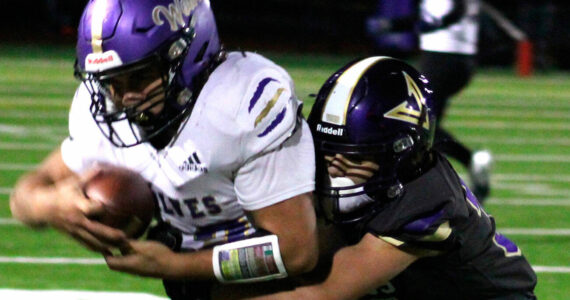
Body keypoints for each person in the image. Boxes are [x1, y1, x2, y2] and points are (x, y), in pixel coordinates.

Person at [9, 0, 318, 299]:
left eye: (140, 75)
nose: (124, 96)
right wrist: (49, 204)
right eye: (110, 80)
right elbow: (23, 198)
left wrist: (175, 266)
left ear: (187, 54)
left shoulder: (240, 103)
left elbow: (296, 252)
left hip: (290, 287)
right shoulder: (103, 111)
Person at [243, 57, 537, 300]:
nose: (333, 169)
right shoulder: (333, 172)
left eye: (356, 158)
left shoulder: (424, 201)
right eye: (326, 153)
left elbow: (323, 293)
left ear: (402, 154)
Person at [366, 0, 493, 202]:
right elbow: (424, 19)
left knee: (412, 121)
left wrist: (440, 23)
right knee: (425, 130)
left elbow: (455, 11)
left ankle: (467, 161)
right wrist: (393, 25)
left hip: (444, 59)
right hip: (450, 59)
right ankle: (437, 180)